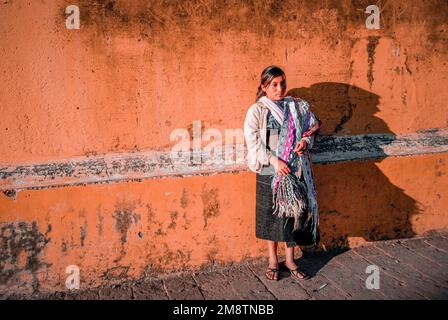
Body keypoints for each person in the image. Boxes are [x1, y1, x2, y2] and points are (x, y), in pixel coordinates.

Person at [243, 65, 323, 281]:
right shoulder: (257, 111)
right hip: (270, 171)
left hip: (295, 170)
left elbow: (313, 127)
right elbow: (253, 143)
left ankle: (290, 259)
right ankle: (272, 260)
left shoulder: (297, 107)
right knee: (272, 217)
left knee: (293, 215)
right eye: (274, 85)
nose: (279, 89)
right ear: (264, 86)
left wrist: (305, 142)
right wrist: (274, 161)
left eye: (282, 84)